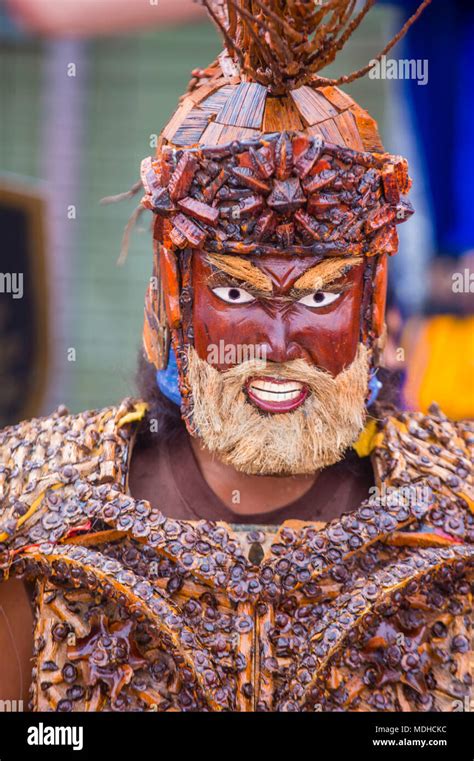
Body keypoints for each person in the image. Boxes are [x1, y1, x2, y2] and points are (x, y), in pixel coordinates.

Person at [0, 0, 472, 713]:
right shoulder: (31, 518)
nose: (278, 346)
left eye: (319, 299)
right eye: (234, 289)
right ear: (170, 295)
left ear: (375, 305)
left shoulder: (455, 516)